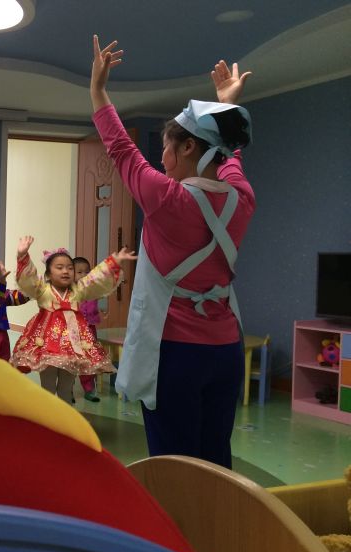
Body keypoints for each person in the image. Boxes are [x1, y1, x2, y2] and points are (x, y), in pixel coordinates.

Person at [90, 35, 254, 467]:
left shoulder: (168, 199)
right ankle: (213, 534)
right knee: (216, 458)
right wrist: (225, 105)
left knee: (174, 466)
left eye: (166, 147)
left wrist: (98, 91)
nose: (161, 159)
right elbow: (230, 156)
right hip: (226, 351)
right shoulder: (242, 196)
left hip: (175, 354)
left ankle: (175, 536)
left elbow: (121, 149)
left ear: (187, 148)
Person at [10, 236, 135, 402]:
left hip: (73, 343)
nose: (65, 271)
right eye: (59, 267)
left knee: (66, 387)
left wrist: (114, 262)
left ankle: (65, 420)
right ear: (48, 273)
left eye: (70, 268)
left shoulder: (79, 289)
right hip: (47, 342)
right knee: (47, 385)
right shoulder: (42, 289)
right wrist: (23, 255)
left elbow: (95, 279)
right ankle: (47, 420)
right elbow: (29, 279)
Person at [73, 257, 102, 402]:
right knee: (70, 361)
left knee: (89, 361)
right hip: (72, 332)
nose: (84, 275)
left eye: (87, 271)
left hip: (89, 331)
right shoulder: (68, 290)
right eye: (79, 272)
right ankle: (67, 389)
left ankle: (89, 389)